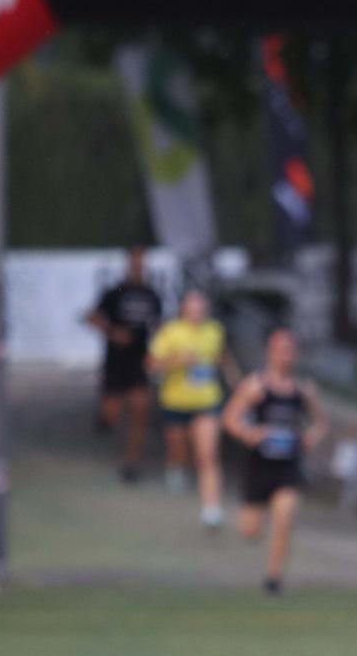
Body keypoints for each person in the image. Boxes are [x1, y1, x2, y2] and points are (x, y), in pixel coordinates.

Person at [223, 327, 327, 595]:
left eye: (290, 351)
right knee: (250, 530)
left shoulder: (303, 390)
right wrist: (249, 433)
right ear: (270, 352)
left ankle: (273, 579)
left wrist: (309, 438)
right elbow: (230, 419)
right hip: (257, 467)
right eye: (281, 350)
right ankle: (260, 523)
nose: (286, 356)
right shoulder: (255, 386)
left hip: (287, 468)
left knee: (285, 515)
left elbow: (321, 423)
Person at [148, 288, 238, 527]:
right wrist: (177, 361)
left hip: (207, 402)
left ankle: (211, 507)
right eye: (193, 306)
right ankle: (176, 467)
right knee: (178, 447)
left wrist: (234, 381)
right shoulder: (171, 331)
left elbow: (223, 356)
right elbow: (152, 364)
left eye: (201, 306)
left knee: (208, 454)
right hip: (176, 401)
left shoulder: (214, 331)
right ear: (184, 309)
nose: (198, 311)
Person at [85, 247, 164, 482]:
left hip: (139, 361)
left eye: (143, 262)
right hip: (116, 361)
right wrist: (112, 332)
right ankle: (104, 417)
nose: (139, 266)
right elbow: (92, 316)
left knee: (141, 409)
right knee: (112, 412)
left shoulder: (152, 294)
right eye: (136, 262)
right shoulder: (116, 291)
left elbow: (158, 325)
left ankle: (132, 462)